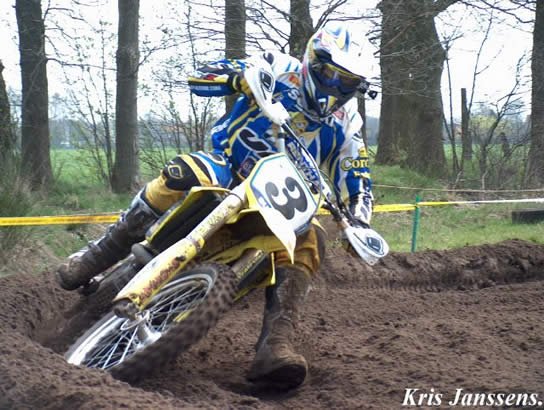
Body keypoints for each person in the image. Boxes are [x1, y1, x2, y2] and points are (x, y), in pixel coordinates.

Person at [56, 22, 375, 390]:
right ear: (312, 61)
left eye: (347, 82)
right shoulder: (276, 68)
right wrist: (239, 78)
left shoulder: (347, 123)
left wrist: (359, 219)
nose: (335, 87)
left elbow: (356, 174)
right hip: (229, 168)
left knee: (312, 238)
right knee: (182, 173)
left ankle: (276, 343)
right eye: (331, 75)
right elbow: (200, 77)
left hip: (279, 201)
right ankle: (99, 253)